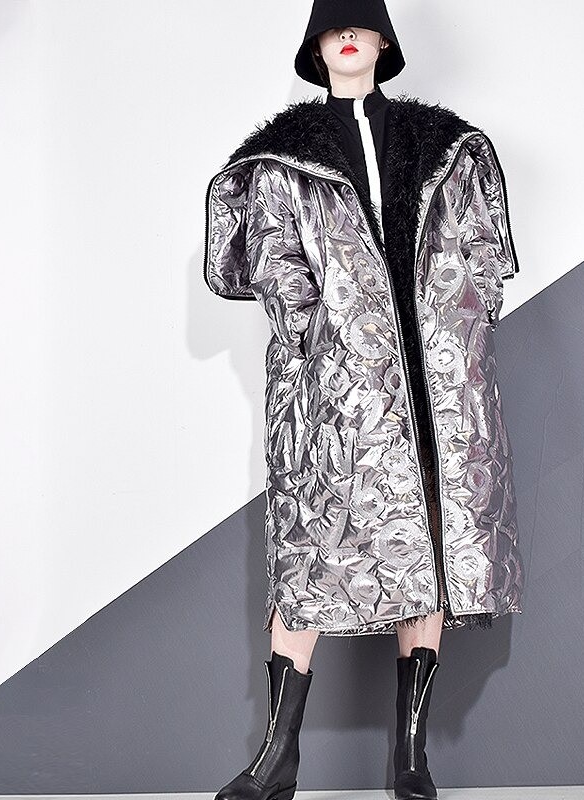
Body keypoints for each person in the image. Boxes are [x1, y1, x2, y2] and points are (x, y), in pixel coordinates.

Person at [204, 2, 524, 798]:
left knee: (429, 548)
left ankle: (410, 758)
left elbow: (485, 255)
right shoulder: (284, 160)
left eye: (361, 22)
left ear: (383, 41)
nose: (347, 34)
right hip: (336, 389)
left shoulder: (443, 145)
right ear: (318, 48)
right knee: (308, 549)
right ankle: (277, 757)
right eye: (333, 25)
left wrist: (464, 322)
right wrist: (322, 339)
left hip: (436, 386)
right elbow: (276, 266)